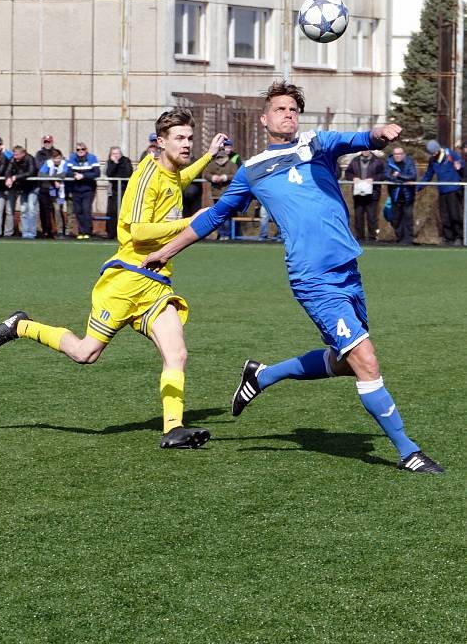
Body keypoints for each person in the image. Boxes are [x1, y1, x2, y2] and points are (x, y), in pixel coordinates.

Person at [141, 81, 443, 474]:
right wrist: (165, 251)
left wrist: (378, 134)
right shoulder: (251, 170)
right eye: (280, 109)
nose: (288, 114)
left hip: (348, 269)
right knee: (366, 360)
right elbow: (214, 217)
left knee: (348, 361)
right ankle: (409, 451)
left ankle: (264, 375)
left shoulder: (317, 145)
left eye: (294, 110)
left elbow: (358, 138)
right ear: (264, 118)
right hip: (312, 278)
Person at [0, 109, 226, 450]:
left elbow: (180, 180)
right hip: (126, 280)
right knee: (85, 353)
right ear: (161, 142)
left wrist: (208, 157)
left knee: (177, 353)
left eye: (189, 138)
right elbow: (138, 233)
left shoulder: (171, 174)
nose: (186, 144)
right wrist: (190, 222)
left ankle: (173, 428)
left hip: (155, 285)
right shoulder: (146, 177)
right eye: (179, 138)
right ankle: (22, 326)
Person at [417, 140, 463, 245]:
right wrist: (418, 188)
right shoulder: (432, 160)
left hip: (453, 190)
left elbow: (461, 163)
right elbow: (428, 175)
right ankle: (449, 238)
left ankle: (460, 237)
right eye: (431, 153)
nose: (433, 154)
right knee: (444, 216)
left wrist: (459, 165)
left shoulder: (450, 154)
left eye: (434, 152)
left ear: (438, 149)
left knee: (455, 215)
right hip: (442, 191)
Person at [344, 149, 385, 242]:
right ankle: (359, 237)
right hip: (358, 193)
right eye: (363, 149)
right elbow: (347, 173)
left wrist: (373, 179)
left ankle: (372, 237)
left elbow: (383, 174)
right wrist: (353, 178)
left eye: (367, 149)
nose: (365, 151)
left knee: (372, 216)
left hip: (373, 193)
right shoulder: (355, 160)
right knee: (358, 216)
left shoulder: (377, 161)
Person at [203, 137, 239, 240]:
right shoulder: (212, 165)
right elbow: (206, 174)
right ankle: (221, 234)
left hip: (227, 193)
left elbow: (236, 176)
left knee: (227, 215)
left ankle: (228, 235)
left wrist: (225, 177)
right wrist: (213, 178)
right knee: (218, 215)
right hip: (216, 193)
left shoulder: (232, 165)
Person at [66, 142, 100, 239]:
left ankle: (88, 232)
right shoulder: (72, 158)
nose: (80, 151)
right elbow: (68, 172)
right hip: (76, 189)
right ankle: (81, 231)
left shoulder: (92, 158)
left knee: (86, 210)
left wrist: (83, 176)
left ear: (86, 150)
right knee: (78, 211)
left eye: (82, 149)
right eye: (78, 150)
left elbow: (96, 173)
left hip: (88, 189)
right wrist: (74, 175)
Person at [384, 146, 417, 245]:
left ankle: (408, 239)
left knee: (408, 217)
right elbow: (387, 175)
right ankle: (400, 238)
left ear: (403, 154)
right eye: (395, 154)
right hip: (395, 194)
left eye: (399, 154)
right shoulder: (389, 162)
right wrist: (400, 179)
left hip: (408, 195)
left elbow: (412, 175)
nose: (397, 156)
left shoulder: (409, 162)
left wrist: (399, 176)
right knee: (396, 218)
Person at [5, 145, 38, 239]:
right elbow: (8, 171)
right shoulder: (13, 159)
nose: (15, 157)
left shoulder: (30, 159)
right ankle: (25, 232)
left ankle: (31, 233)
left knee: (31, 209)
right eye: (14, 154)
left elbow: (31, 172)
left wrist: (15, 177)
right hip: (23, 188)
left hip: (33, 187)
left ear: (23, 153)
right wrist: (8, 178)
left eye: (17, 155)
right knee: (23, 210)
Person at [38, 148, 69, 237]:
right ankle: (49, 230)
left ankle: (60, 230)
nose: (57, 160)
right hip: (51, 190)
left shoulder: (64, 163)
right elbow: (41, 174)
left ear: (61, 157)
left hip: (61, 192)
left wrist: (54, 178)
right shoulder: (48, 163)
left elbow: (63, 174)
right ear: (52, 158)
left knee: (58, 209)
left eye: (58, 158)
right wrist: (53, 179)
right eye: (55, 158)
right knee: (48, 210)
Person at [105, 146, 133, 240]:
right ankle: (111, 233)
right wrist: (115, 163)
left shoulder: (126, 161)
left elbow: (128, 173)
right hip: (114, 190)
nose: (116, 155)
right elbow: (109, 173)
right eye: (114, 153)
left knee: (124, 212)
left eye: (118, 153)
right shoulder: (110, 162)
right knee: (112, 211)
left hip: (124, 189)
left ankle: (124, 233)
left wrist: (118, 163)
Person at [35, 134, 56, 237]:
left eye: (49, 142)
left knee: (55, 209)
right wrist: (50, 164)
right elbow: (39, 166)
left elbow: (60, 165)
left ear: (52, 142)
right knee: (43, 209)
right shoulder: (39, 154)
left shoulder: (56, 153)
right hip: (43, 185)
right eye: (45, 142)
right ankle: (46, 230)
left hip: (54, 186)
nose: (47, 143)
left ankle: (57, 230)